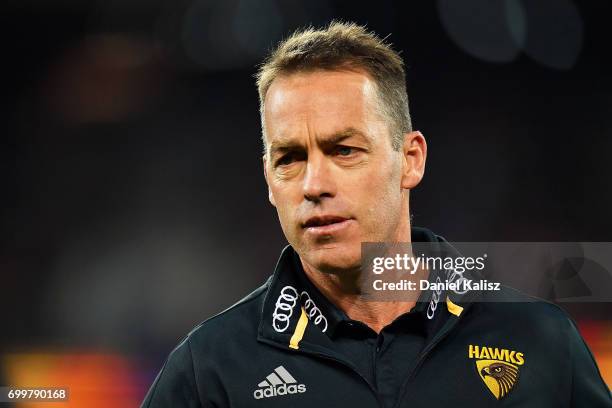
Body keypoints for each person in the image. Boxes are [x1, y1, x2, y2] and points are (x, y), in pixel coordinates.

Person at [141, 21, 611, 407]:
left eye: (344, 150)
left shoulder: (540, 343)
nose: (313, 185)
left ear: (410, 160)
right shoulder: (209, 371)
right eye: (290, 158)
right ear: (269, 179)